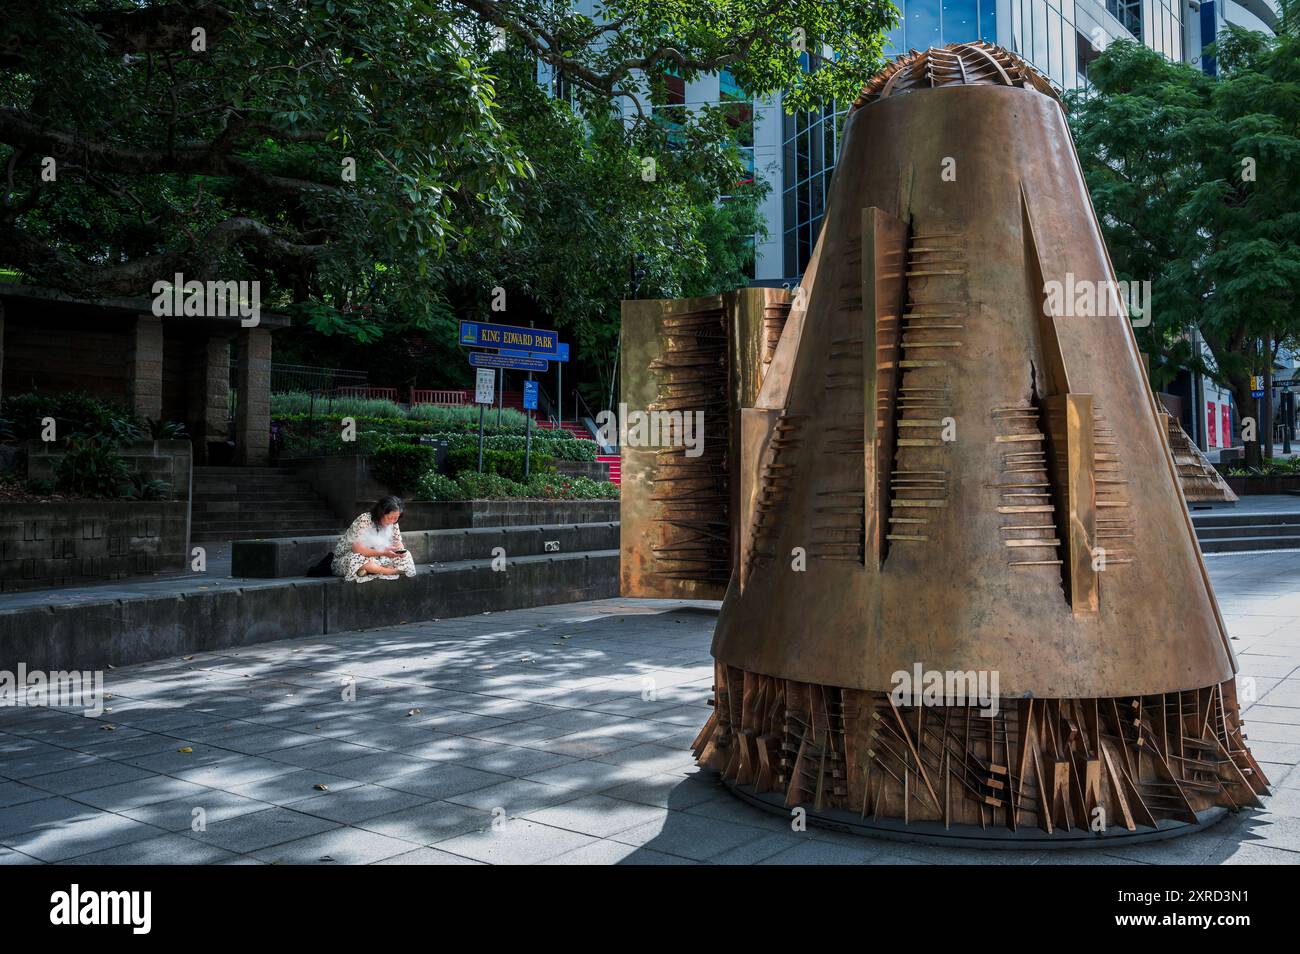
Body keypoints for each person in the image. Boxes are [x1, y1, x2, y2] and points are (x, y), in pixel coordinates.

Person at [333, 495, 417, 582]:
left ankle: (370, 570)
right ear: (381, 513)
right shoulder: (365, 519)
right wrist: (384, 552)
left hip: (377, 558)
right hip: (348, 557)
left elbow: (398, 542)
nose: (392, 521)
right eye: (389, 518)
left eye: (396, 518)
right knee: (356, 558)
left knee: (406, 555)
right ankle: (389, 571)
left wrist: (400, 551)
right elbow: (357, 549)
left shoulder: (394, 523)